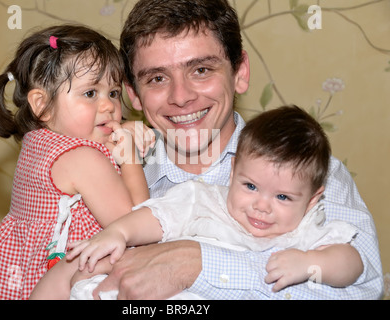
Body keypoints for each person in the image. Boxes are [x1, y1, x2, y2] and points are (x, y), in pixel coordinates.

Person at [83, 0, 382, 300]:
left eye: (201, 70)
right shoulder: (103, 181)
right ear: (134, 94)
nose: (181, 96)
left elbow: (362, 291)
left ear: (239, 72)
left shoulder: (311, 175)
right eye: (158, 78)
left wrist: (197, 264)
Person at [65, 105, 363, 300]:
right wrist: (119, 233)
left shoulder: (308, 229)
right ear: (233, 173)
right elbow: (158, 216)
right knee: (86, 282)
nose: (261, 206)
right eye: (250, 186)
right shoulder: (205, 200)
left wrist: (312, 263)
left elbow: (353, 265)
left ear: (312, 200)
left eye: (282, 197)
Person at [0, 24, 154, 300]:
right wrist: (130, 158)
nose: (108, 106)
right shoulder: (83, 159)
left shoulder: (38, 144)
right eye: (90, 93)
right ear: (41, 105)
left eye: (113, 93)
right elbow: (137, 226)